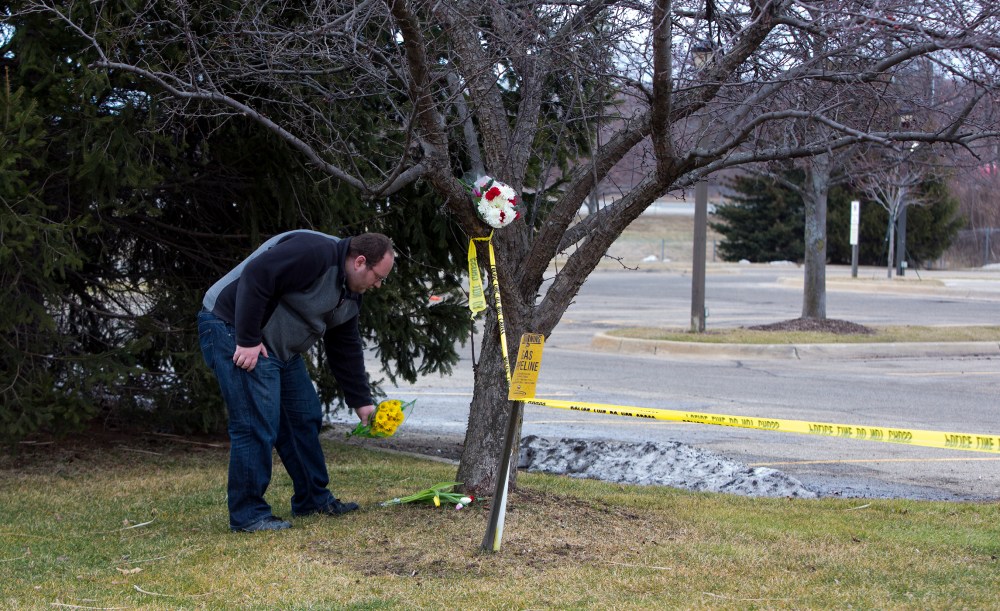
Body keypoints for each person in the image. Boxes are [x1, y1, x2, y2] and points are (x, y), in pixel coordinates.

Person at [197, 230, 394, 532]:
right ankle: (248, 515)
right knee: (254, 423)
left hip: (278, 349)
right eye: (378, 277)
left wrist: (362, 402)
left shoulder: (350, 293)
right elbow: (257, 275)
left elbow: (344, 346)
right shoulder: (314, 252)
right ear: (360, 262)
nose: (378, 285)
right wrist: (247, 338)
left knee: (304, 417)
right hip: (229, 326)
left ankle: (313, 499)